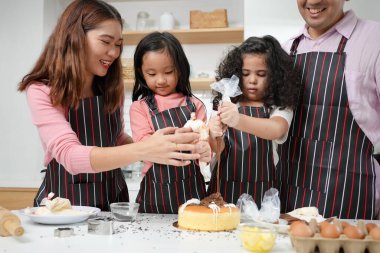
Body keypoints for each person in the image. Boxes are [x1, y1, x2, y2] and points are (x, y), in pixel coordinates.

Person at [18, 0, 203, 211]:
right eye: (106, 42)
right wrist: (147, 148)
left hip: (113, 202)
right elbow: (69, 155)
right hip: (64, 207)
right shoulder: (42, 90)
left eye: (118, 44)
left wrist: (158, 146)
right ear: (75, 37)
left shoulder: (110, 86)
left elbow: (115, 139)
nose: (114, 52)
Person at [279, 0, 380, 219]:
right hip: (289, 195)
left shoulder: (374, 39)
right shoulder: (286, 50)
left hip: (349, 194)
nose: (313, 1)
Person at [207, 36, 301, 207]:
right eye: (245, 74)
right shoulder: (228, 103)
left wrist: (238, 119)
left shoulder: (278, 107)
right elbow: (217, 149)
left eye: (261, 74)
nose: (252, 80)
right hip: (224, 191)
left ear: (275, 77)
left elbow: (276, 129)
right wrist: (213, 134)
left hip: (263, 194)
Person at [130, 31, 211, 213]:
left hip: (192, 193)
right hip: (155, 194)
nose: (160, 80)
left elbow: (204, 147)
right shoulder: (140, 108)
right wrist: (181, 139)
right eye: (151, 73)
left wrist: (206, 150)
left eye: (168, 72)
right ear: (141, 73)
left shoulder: (195, 105)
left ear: (181, 69)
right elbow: (144, 148)